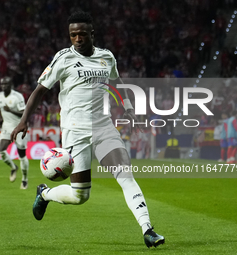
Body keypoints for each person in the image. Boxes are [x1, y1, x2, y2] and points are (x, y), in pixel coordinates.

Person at [11, 11, 165, 248]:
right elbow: (40, 90)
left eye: (82, 34)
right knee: (80, 195)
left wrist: (129, 109)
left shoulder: (107, 57)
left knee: (125, 175)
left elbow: (118, 83)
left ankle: (148, 229)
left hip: (104, 128)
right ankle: (45, 194)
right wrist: (24, 120)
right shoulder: (62, 59)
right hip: (75, 132)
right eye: (73, 35)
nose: (78, 39)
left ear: (92, 34)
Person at [0, 76, 29, 189]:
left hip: (19, 127)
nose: (4, 86)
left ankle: (24, 178)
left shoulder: (17, 96)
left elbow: (24, 113)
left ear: (11, 85)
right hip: (6, 127)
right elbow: (0, 109)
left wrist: (11, 110)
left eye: (6, 84)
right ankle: (13, 167)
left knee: (22, 156)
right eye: (2, 84)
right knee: (1, 150)